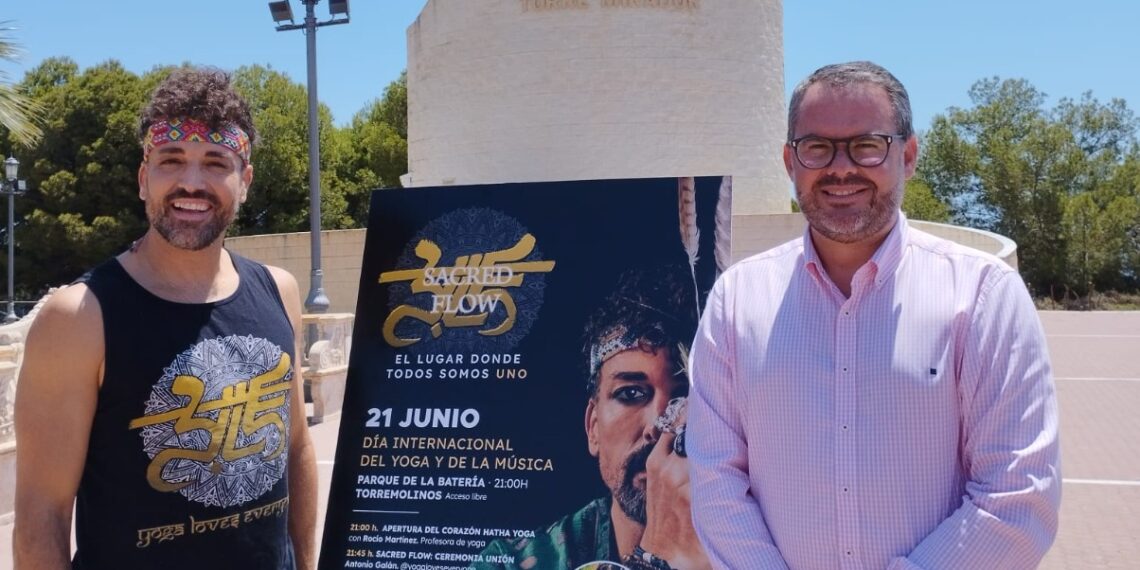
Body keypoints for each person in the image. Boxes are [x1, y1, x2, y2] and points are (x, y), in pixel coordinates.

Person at [687, 61, 1060, 569]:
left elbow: (1018, 494)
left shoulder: (981, 296)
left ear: (907, 155)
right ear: (789, 161)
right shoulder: (736, 301)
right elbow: (715, 480)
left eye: (867, 144)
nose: (841, 168)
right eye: (817, 146)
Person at [13, 67, 318, 569]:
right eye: (171, 160)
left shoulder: (279, 291)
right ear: (143, 178)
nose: (191, 183)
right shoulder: (79, 317)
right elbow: (39, 524)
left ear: (245, 181)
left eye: (216, 163)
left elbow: (296, 452)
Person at [477, 266, 710, 570]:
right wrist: (657, 559)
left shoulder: (756, 545)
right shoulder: (515, 563)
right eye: (631, 393)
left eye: (684, 398)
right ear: (593, 427)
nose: (658, 424)